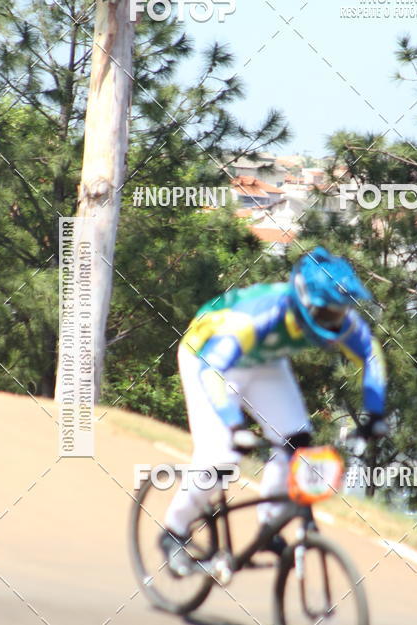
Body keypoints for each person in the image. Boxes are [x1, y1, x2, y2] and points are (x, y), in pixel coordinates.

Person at [160, 246, 387, 576]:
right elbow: (213, 370)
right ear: (304, 304)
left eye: (340, 315)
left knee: (298, 446)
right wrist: (235, 425)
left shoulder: (335, 314)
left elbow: (370, 355)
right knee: (220, 458)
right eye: (327, 316)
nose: (336, 324)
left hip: (264, 361)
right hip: (208, 359)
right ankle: (174, 532)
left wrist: (375, 414)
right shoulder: (259, 316)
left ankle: (269, 524)